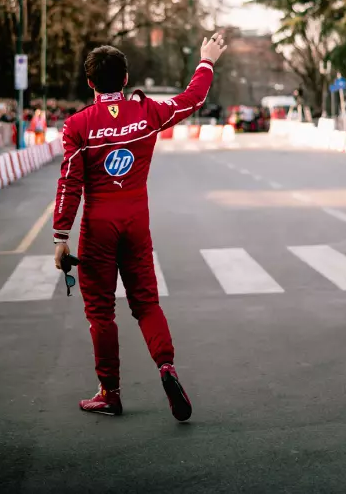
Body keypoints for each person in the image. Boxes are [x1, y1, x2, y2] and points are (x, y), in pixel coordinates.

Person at [53, 33, 227, 421]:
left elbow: (70, 183)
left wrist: (61, 236)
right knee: (146, 303)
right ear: (127, 77)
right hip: (136, 222)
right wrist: (206, 60)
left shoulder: (77, 126)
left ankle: (109, 393)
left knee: (100, 312)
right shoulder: (146, 113)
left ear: (90, 83)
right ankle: (166, 366)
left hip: (97, 227)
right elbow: (192, 99)